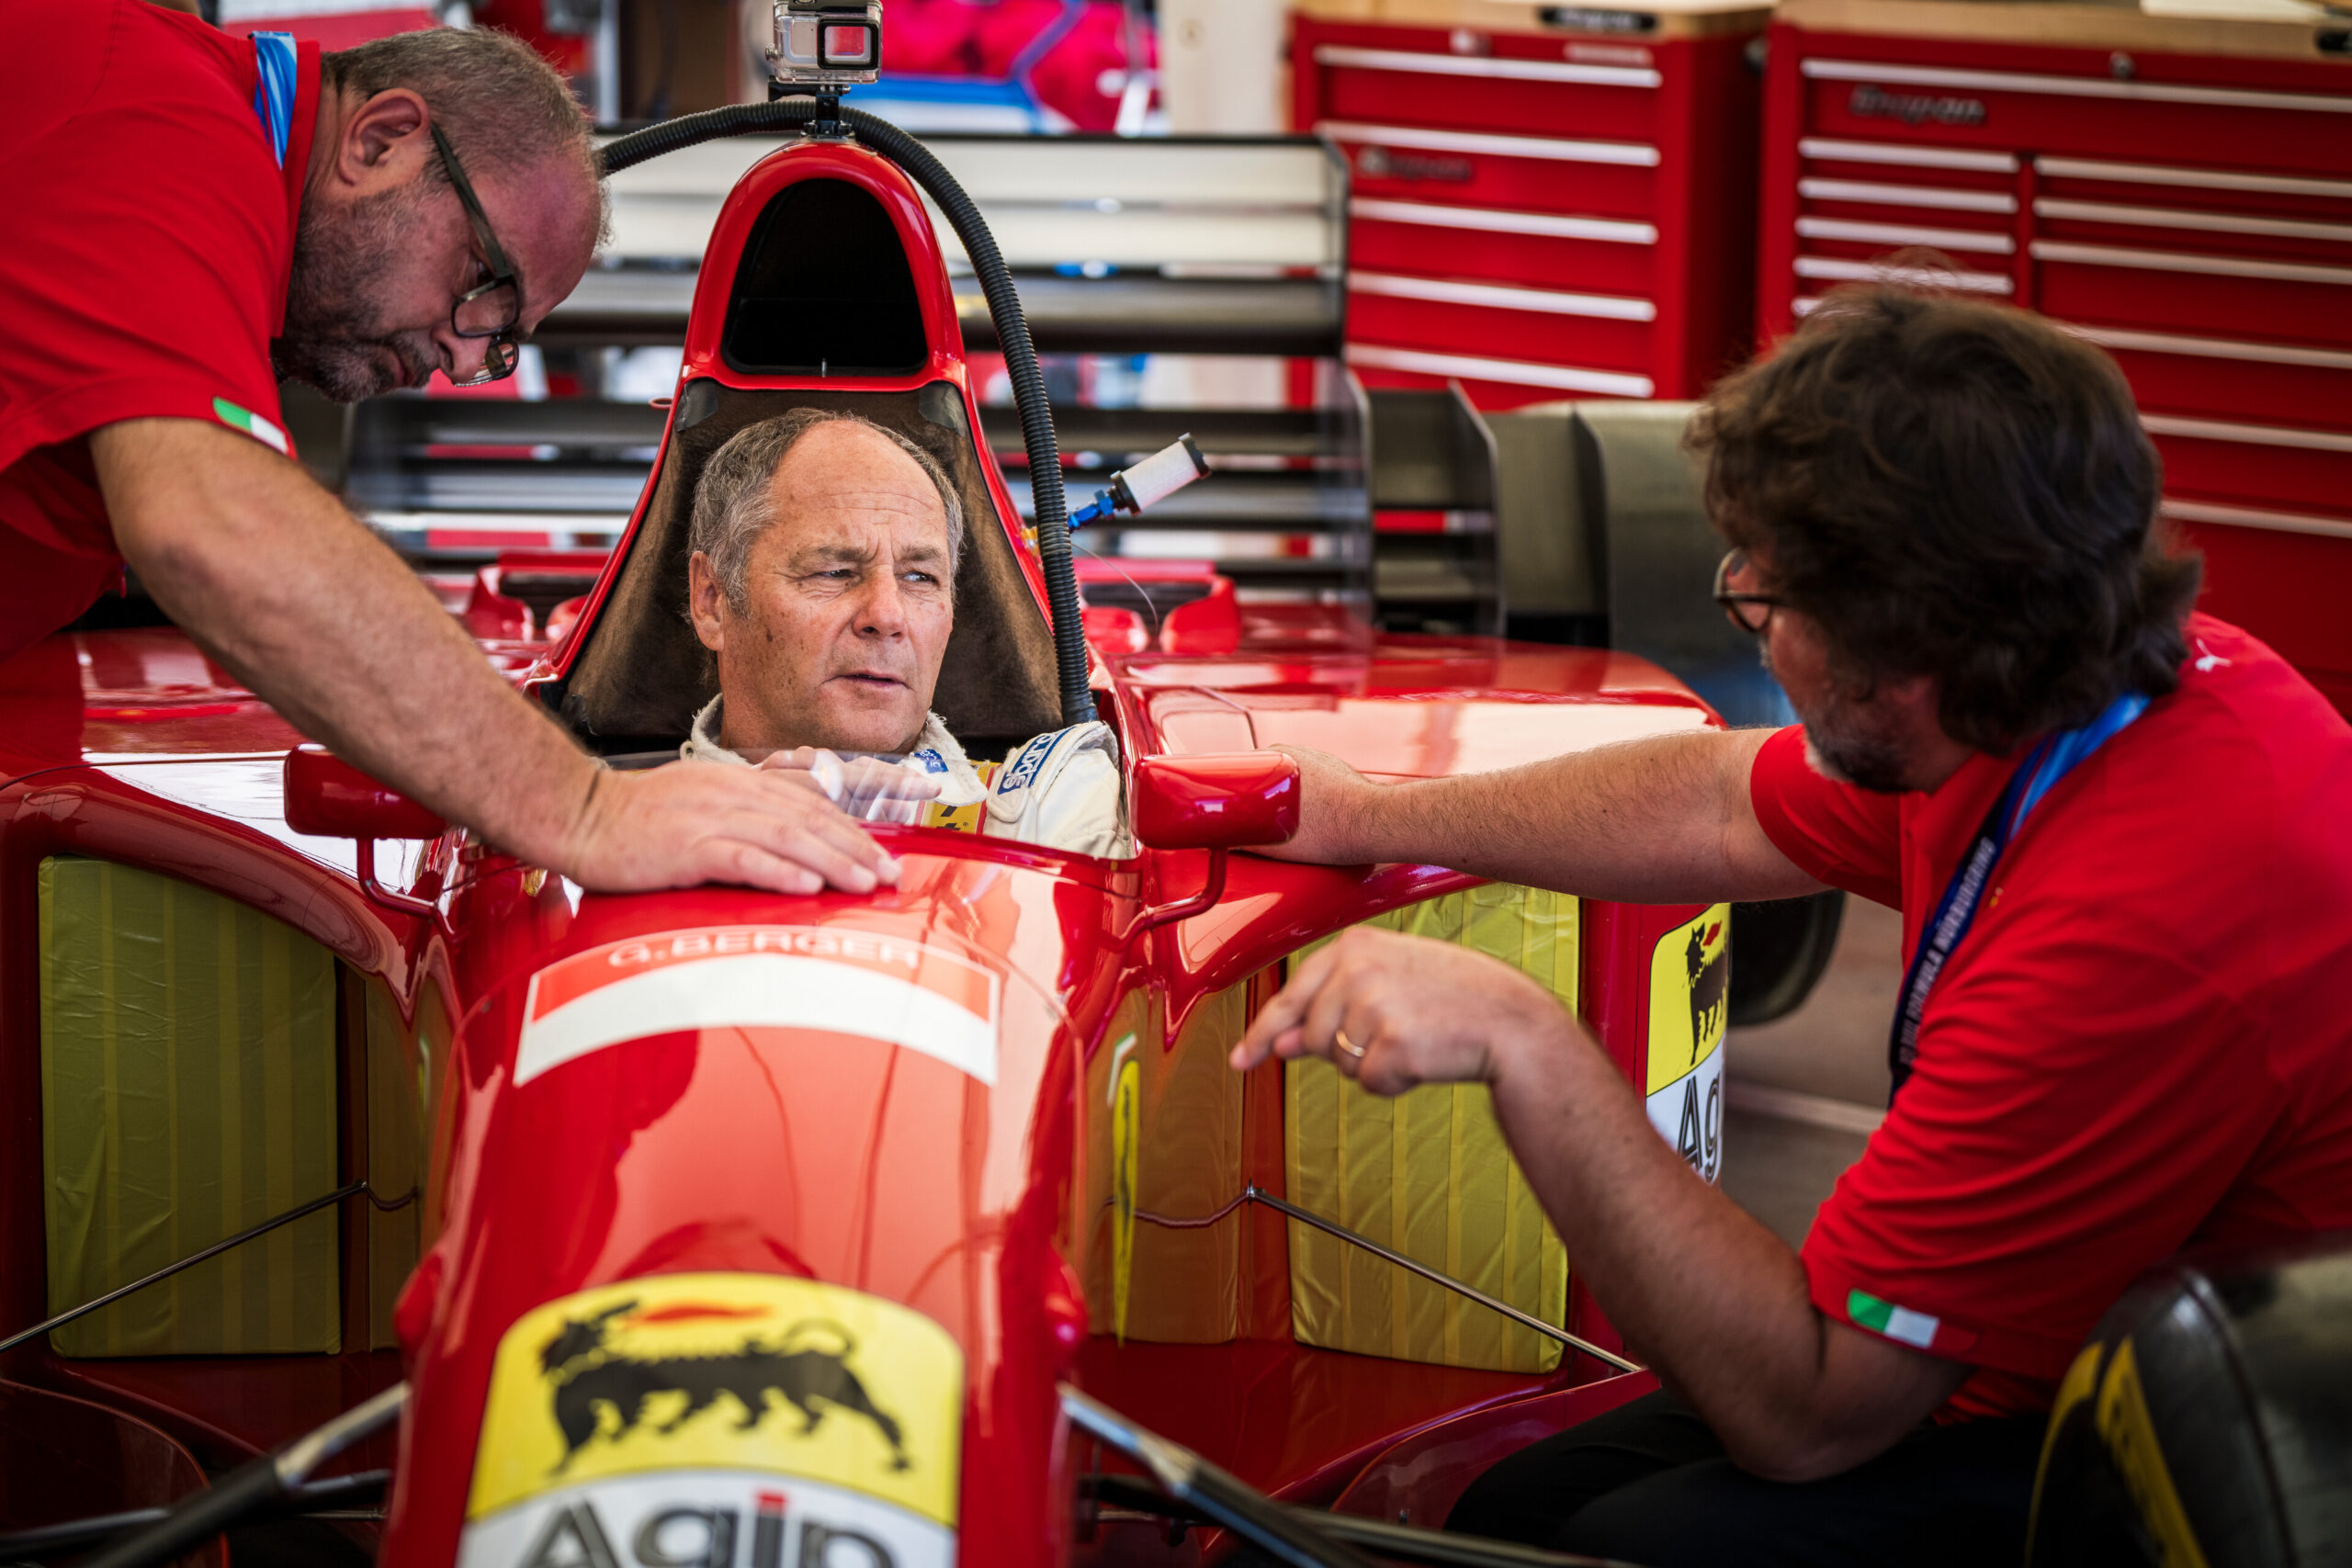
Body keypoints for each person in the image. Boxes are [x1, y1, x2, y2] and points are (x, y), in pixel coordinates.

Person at [1228, 288, 2352, 1565]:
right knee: (1513, 1516)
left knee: (1612, 1546)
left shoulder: (2138, 927)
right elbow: (1721, 803)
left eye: (1765, 601)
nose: (1749, 614)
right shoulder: (2057, 684)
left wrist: (1523, 1038)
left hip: (2238, 1448)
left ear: (1902, 638)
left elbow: (1809, 1411)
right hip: (2070, 1325)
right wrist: (1365, 811)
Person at [0, 1, 893, 897]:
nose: (464, 361)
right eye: (482, 287)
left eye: (503, 343)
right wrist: (584, 809)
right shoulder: (159, 123)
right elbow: (207, 528)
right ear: (381, 140)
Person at [682, 409, 1125, 856]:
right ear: (712, 600)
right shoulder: (617, 827)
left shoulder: (1048, 810)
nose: (888, 616)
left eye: (919, 577)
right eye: (834, 571)